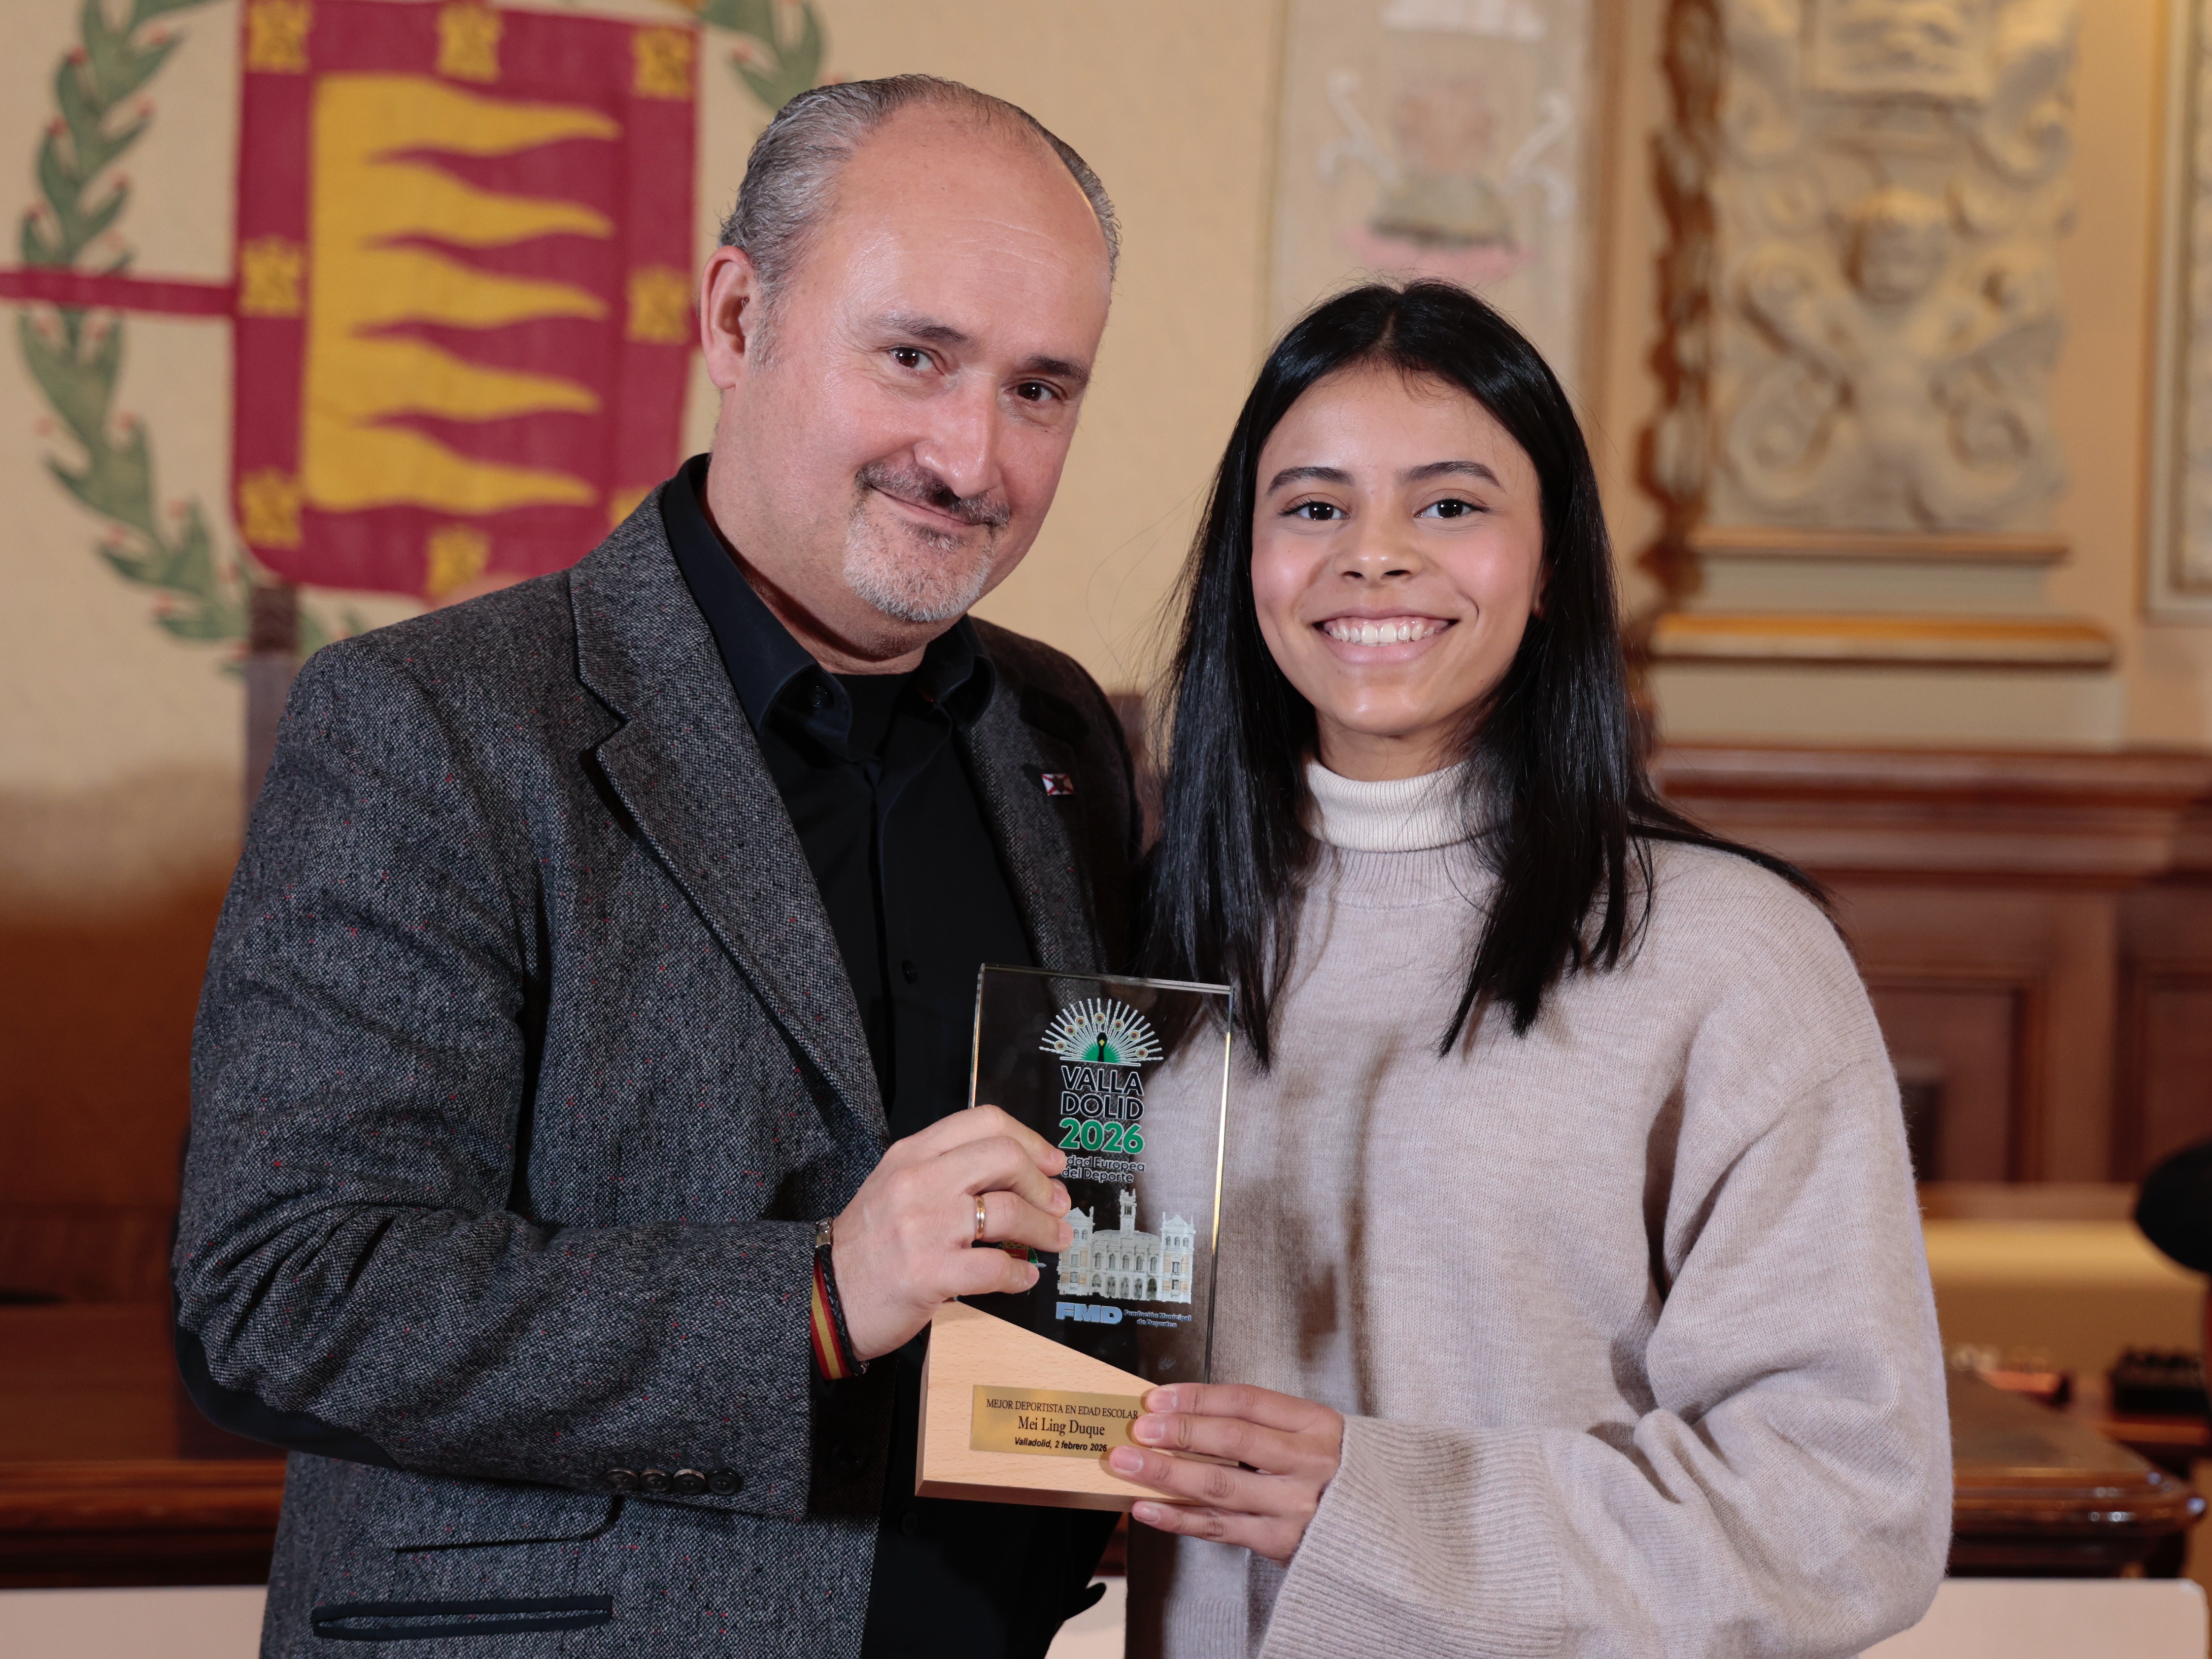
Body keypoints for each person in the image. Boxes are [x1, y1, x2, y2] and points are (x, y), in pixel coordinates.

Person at [175, 76, 1137, 1657]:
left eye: (1039, 390)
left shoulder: (1054, 731)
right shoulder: (432, 719)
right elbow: (280, 1295)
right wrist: (813, 1297)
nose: (971, 455)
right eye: (915, 357)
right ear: (737, 318)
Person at [1113, 281, 1951, 1656]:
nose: (1373, 557)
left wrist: (1389, 1509)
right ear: (1244, 561)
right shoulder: (1139, 929)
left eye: (1449, 504)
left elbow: (1852, 1508)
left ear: (1551, 561)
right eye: (1313, 507)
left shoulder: (1727, 952)